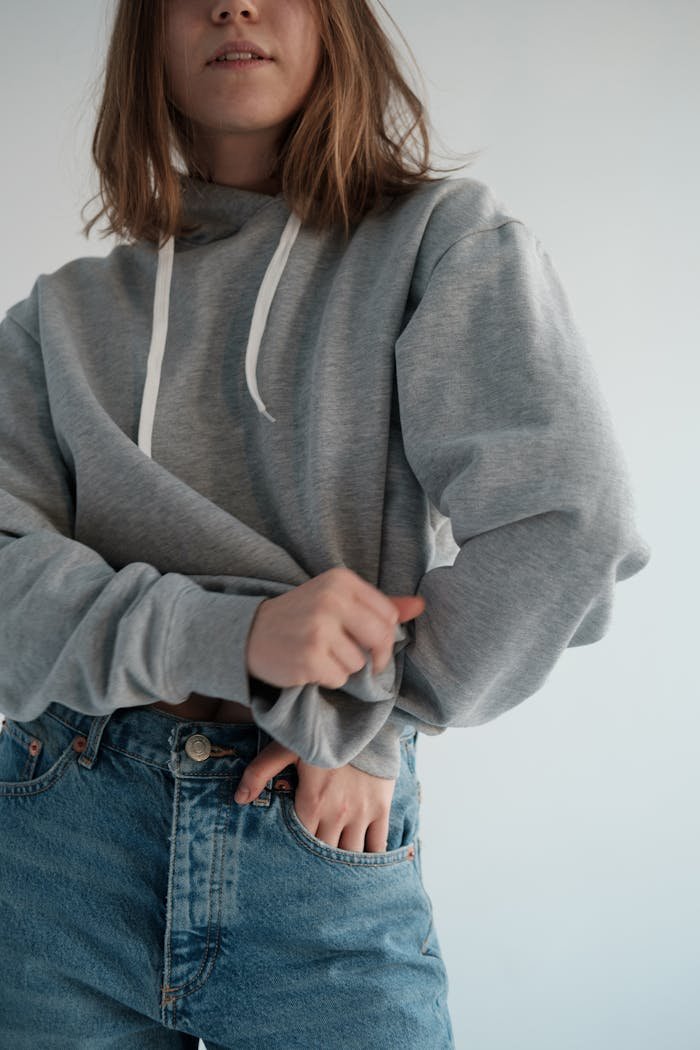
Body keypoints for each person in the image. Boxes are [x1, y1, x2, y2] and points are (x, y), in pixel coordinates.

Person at [0, 0, 651, 1046]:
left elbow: (568, 521)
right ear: (145, 41)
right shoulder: (60, 317)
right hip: (61, 836)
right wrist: (237, 636)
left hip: (318, 834)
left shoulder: (444, 244)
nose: (234, 5)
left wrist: (368, 714)